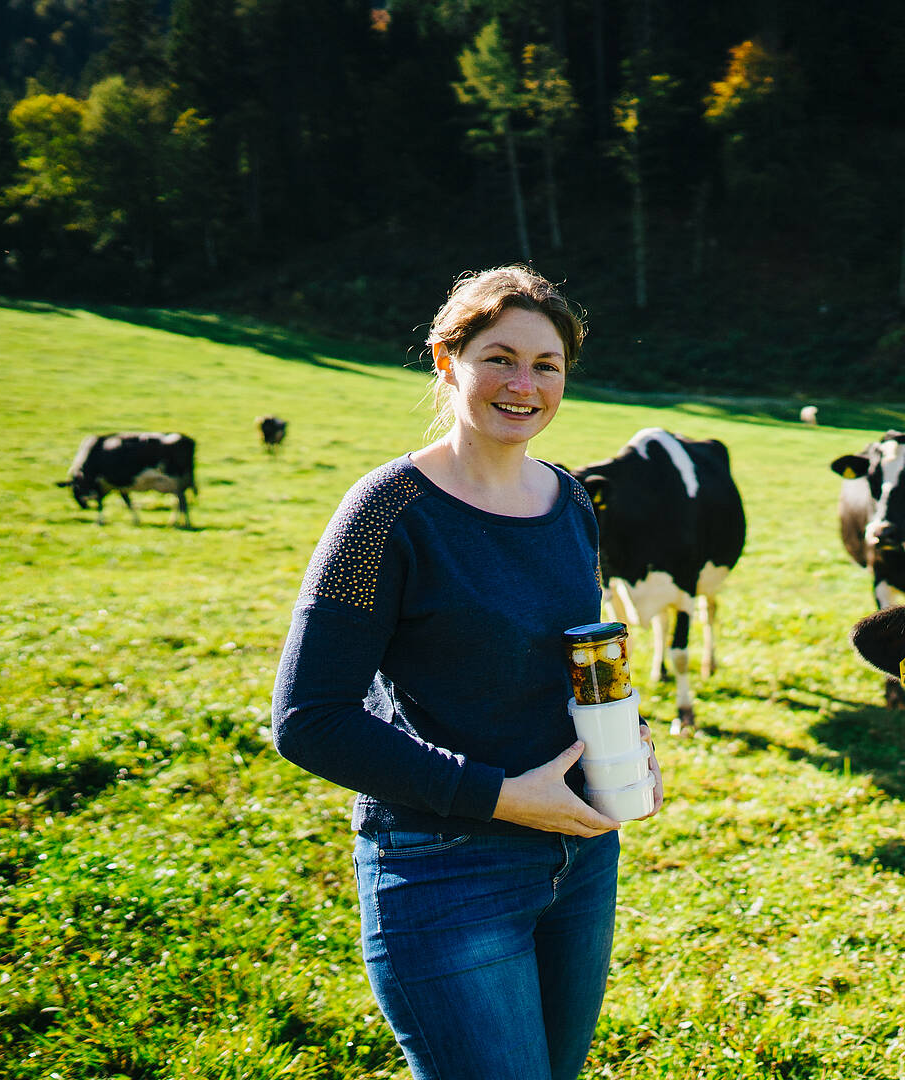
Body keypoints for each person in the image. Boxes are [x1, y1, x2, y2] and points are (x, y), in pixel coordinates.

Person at [272, 266, 661, 1080]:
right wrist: (502, 794)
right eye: (500, 358)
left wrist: (628, 745)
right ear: (447, 361)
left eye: (547, 365)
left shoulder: (569, 500)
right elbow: (309, 719)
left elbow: (574, 663)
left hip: (581, 857)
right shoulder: (384, 512)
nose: (524, 385)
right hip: (446, 866)